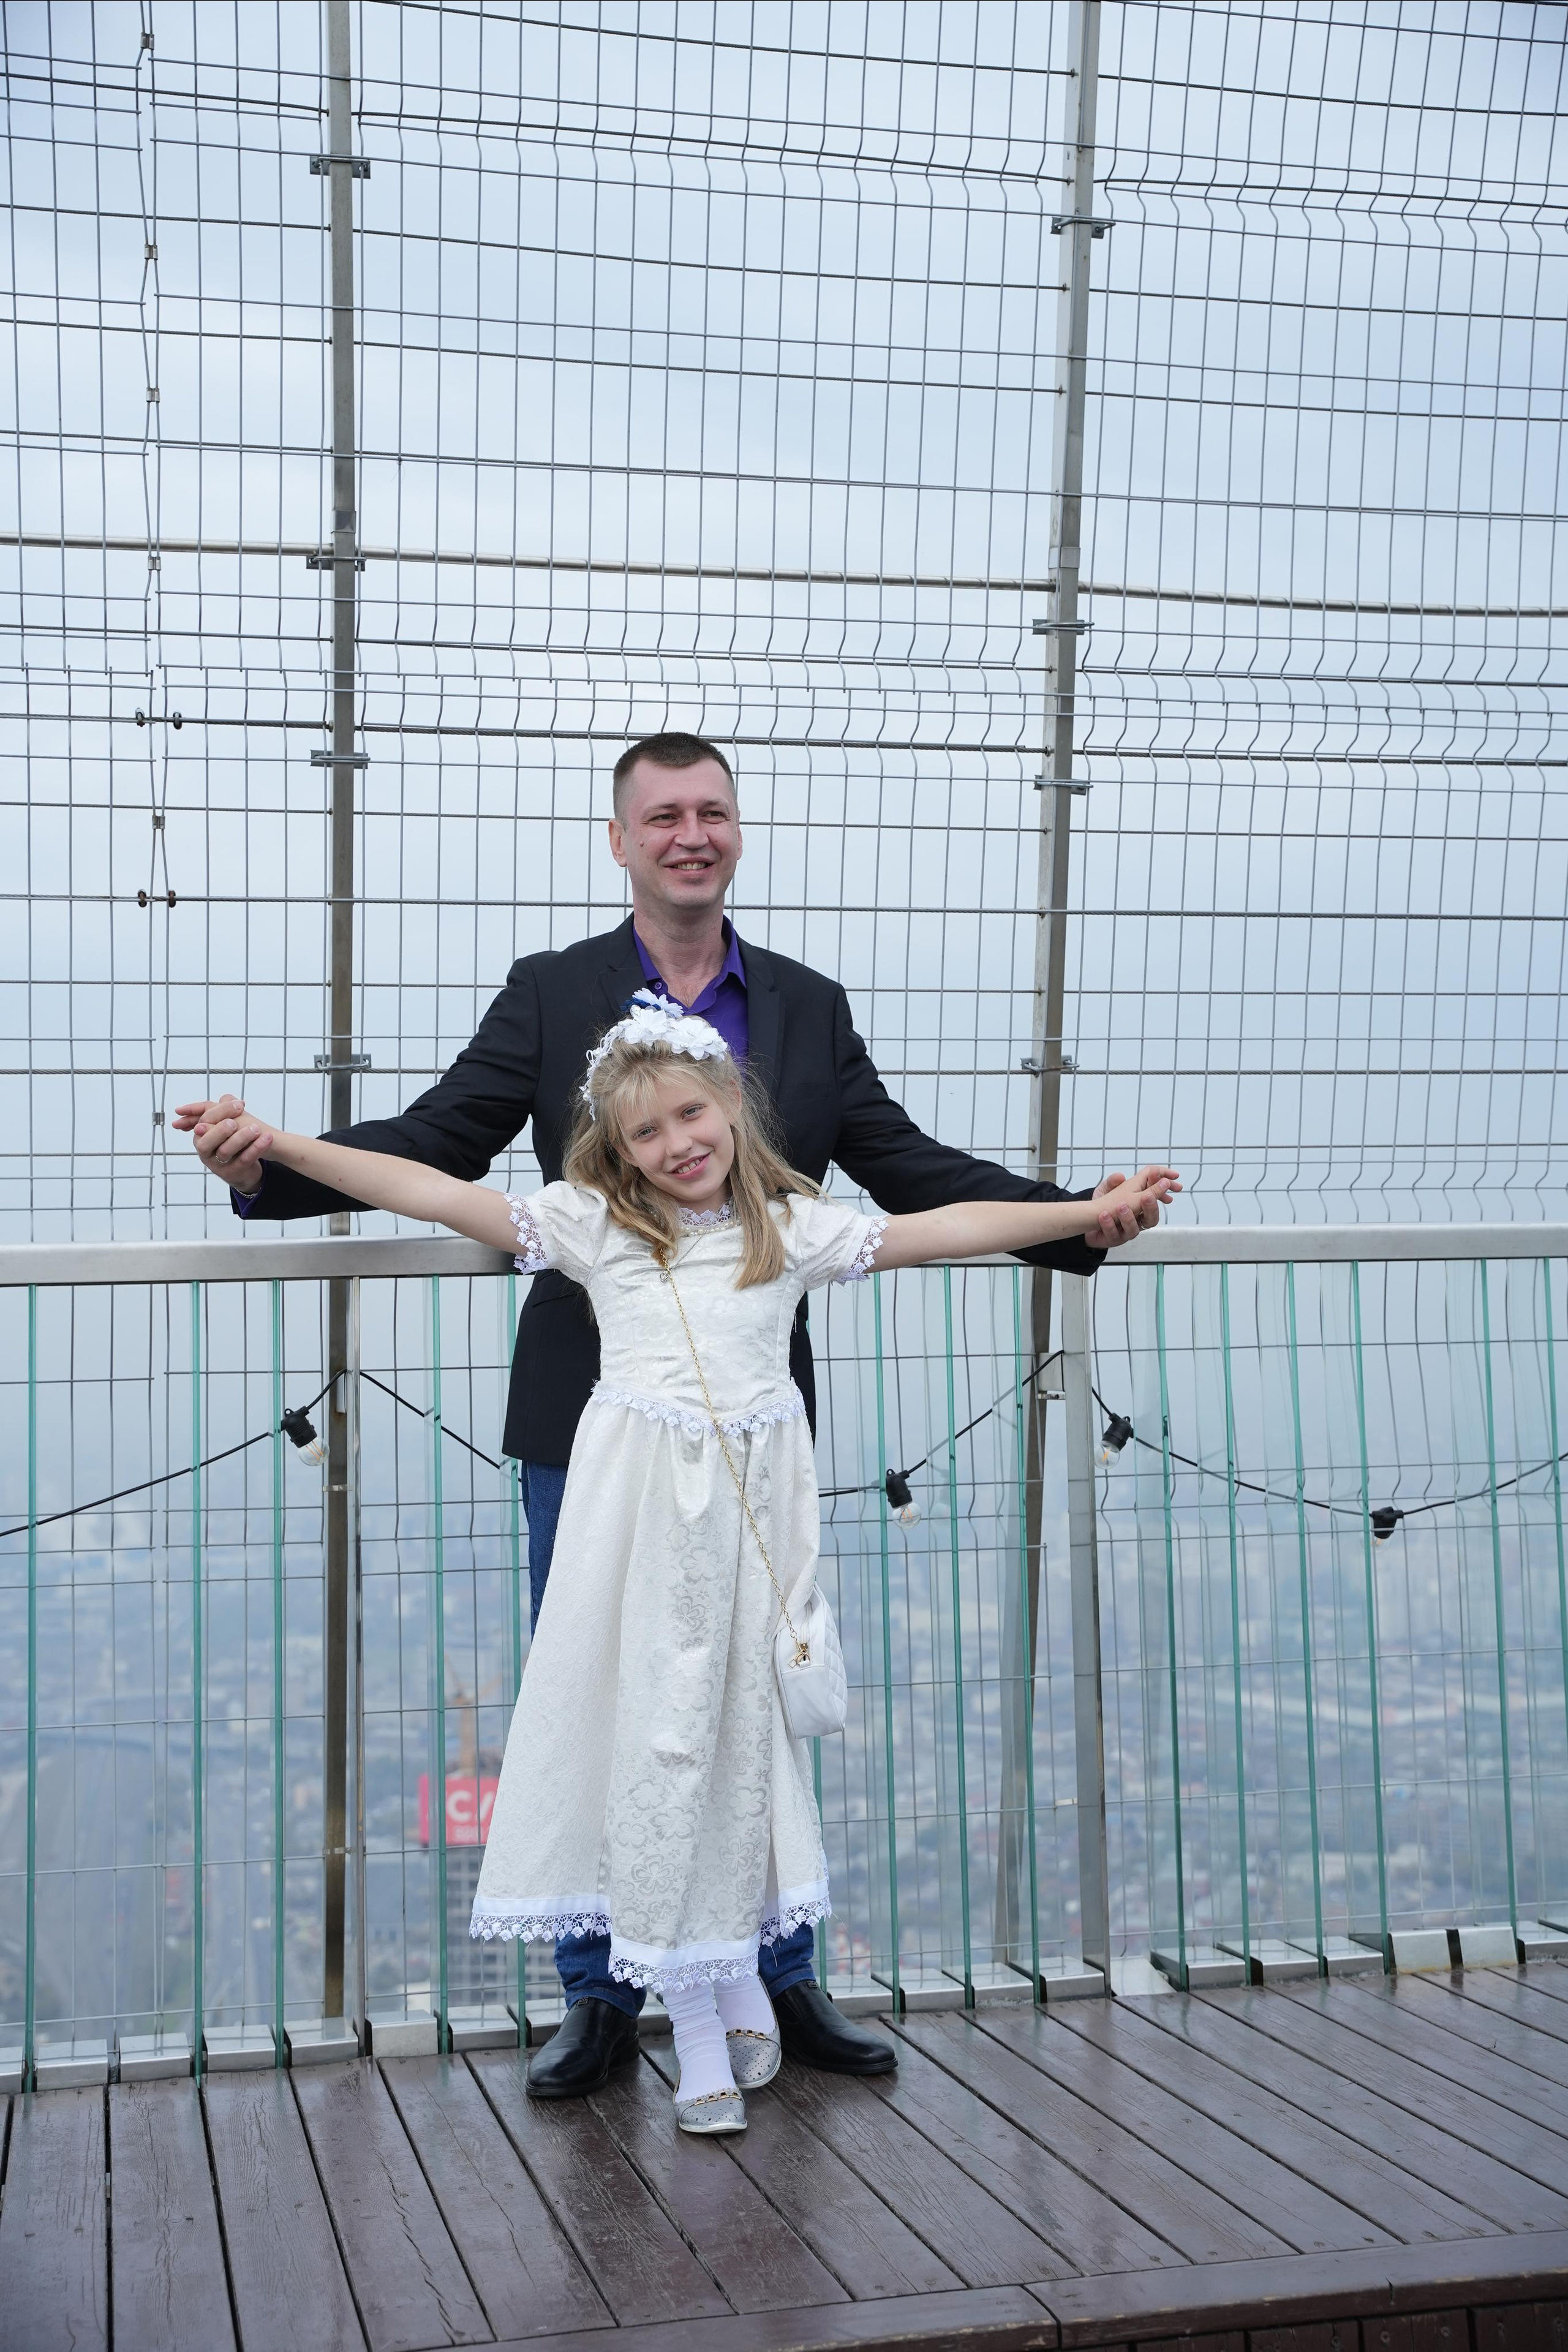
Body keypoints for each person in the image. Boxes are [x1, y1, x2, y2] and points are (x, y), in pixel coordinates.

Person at [175, 729, 1164, 2097]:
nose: (689, 833)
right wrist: (267, 1163)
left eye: (710, 812)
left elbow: (902, 1169)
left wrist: (1079, 1219)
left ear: (734, 830)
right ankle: (597, 1997)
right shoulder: (550, 992)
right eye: (662, 815)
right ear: (620, 839)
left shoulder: (807, 1007)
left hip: (755, 1436)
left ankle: (782, 1980)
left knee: (752, 1698)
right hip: (590, 1430)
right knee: (595, 1696)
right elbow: (436, 1148)